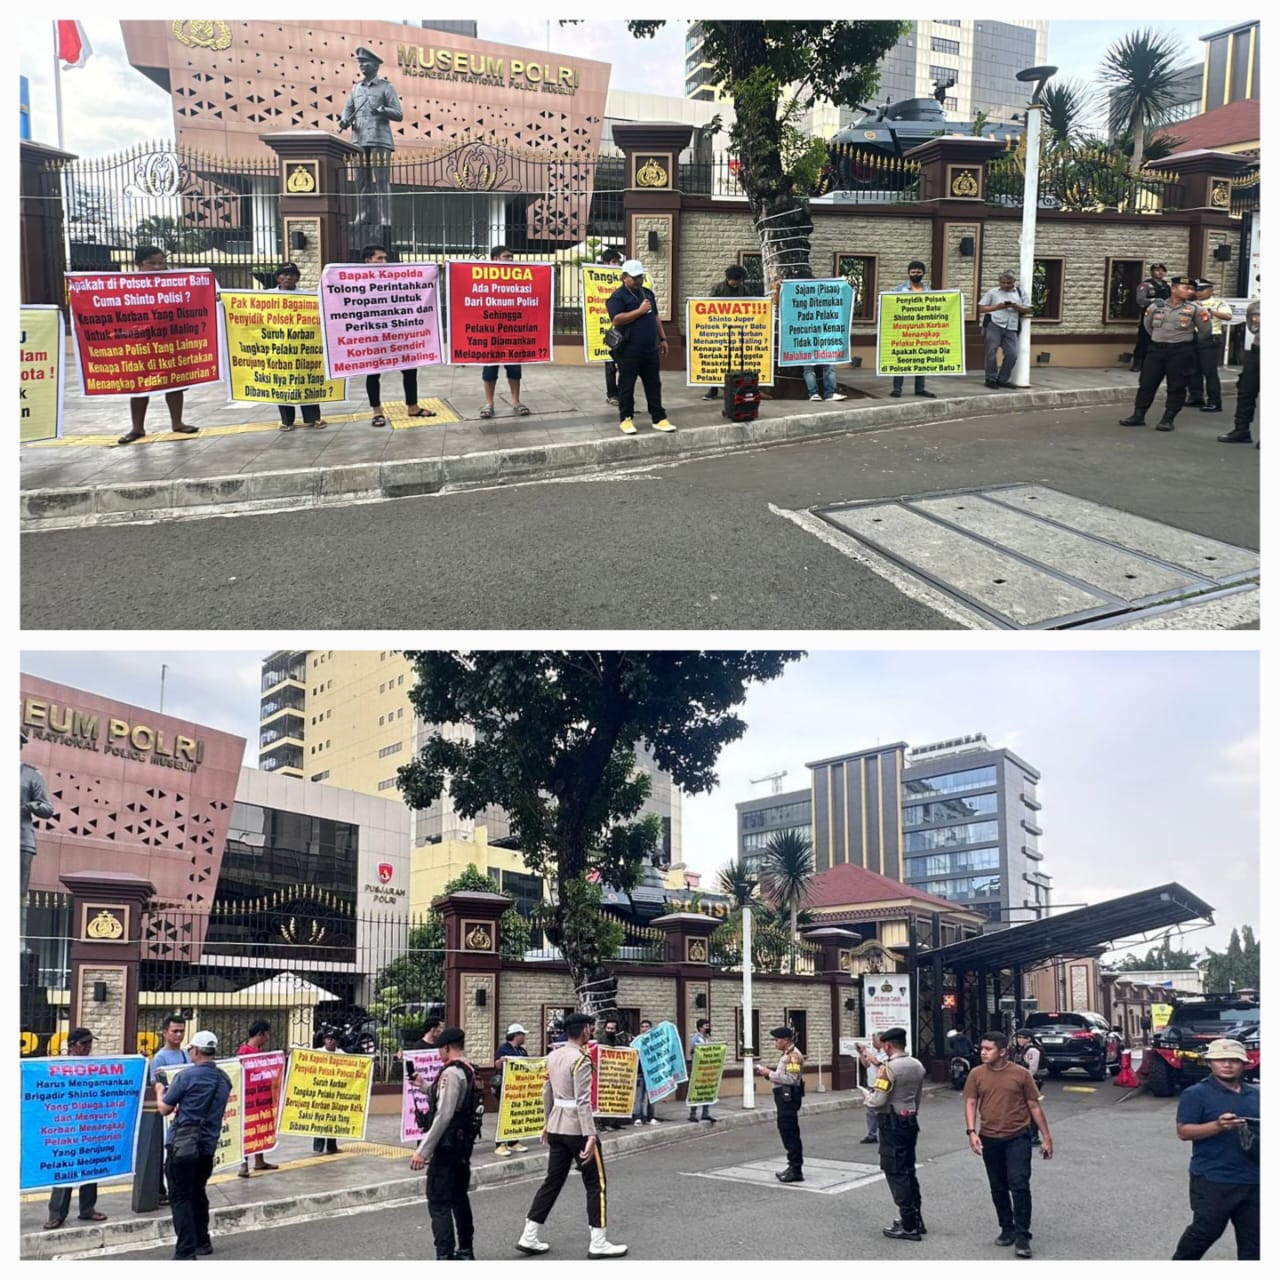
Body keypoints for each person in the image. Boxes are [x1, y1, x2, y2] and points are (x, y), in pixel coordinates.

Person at [516, 1011, 628, 1258]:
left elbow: (546, 1090)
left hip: (556, 1125)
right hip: (577, 1129)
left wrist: (546, 1123)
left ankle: (529, 1234)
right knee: (595, 1183)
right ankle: (598, 1241)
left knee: (552, 1181)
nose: (593, 1031)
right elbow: (583, 1101)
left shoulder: (553, 1055)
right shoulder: (580, 1059)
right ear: (585, 1031)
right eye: (591, 1028)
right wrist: (590, 1135)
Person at [964, 1030, 1054, 1259]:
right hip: (990, 1137)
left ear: (1002, 1051)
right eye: (982, 1048)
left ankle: (1023, 1236)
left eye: (988, 1049)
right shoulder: (976, 1074)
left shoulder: (1021, 1074)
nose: (983, 1052)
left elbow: (1034, 1105)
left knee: (1020, 1184)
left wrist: (1046, 1137)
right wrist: (971, 1132)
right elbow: (971, 1102)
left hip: (1018, 1136)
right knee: (998, 1185)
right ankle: (1007, 1228)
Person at [1171, 1037, 1260, 1260]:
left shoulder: (1256, 1095)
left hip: (1254, 1179)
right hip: (1213, 1178)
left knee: (1256, 1243)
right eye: (1221, 1060)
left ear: (1244, 1063)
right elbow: (1184, 1132)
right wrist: (1218, 1126)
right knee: (1205, 1232)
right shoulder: (1196, 1094)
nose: (1227, 1065)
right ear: (1210, 1063)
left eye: (1233, 1060)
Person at [155, 1029, 232, 1260]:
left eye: (190, 1049)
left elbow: (164, 1108)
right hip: (207, 1147)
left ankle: (186, 1252)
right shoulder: (224, 1079)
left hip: (183, 1147)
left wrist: (160, 1090)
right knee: (198, 1192)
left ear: (196, 1051)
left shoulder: (186, 1077)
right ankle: (202, 1241)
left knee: (180, 1197)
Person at [410, 1026, 482, 1260]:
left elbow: (444, 1114)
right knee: (459, 1196)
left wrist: (423, 1151)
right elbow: (445, 1097)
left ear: (447, 1047)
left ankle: (445, 1255)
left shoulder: (451, 1073)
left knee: (439, 1201)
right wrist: (421, 1084)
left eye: (440, 1048)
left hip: (447, 1146)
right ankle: (466, 1249)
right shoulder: (468, 1069)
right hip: (463, 1146)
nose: (438, 1053)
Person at [118, 246, 200, 445]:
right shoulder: (124, 285)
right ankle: (137, 428)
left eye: (160, 263)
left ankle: (177, 422)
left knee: (175, 382)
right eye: (151, 263)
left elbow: (189, 302)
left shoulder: (173, 283)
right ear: (139, 264)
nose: (157, 267)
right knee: (139, 387)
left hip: (169, 341)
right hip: (139, 344)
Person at [1118, 276, 1212, 431]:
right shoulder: (1156, 306)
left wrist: (1186, 342)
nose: (1190, 292)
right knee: (1147, 384)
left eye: (1192, 289)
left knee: (1176, 386)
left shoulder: (1196, 309)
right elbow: (1148, 326)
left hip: (1180, 351)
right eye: (1185, 288)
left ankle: (1168, 418)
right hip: (1156, 350)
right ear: (1173, 288)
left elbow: (1205, 331)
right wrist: (1160, 338)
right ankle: (1138, 415)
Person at [360, 245, 434, 427]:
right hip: (373, 334)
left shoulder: (395, 277)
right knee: (373, 372)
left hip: (398, 332)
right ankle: (377, 412)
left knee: (410, 369)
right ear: (368, 260)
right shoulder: (357, 280)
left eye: (385, 258)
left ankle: (413, 406)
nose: (384, 262)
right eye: (379, 258)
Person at [43, 1029, 108, 1230]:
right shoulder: (59, 1067)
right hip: (67, 1127)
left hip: (89, 1125)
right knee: (65, 1170)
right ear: (72, 1045)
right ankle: (57, 1214)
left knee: (90, 1166)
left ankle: (87, 1209)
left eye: (90, 1043)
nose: (88, 1047)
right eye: (84, 1043)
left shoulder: (93, 1067)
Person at [867, 1025, 927, 1241]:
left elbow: (879, 1099)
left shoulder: (888, 1068)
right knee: (908, 1169)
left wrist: (868, 1098)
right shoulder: (916, 1065)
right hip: (909, 1118)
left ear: (888, 1045)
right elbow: (917, 1096)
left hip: (891, 1121)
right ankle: (917, 1218)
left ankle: (908, 1224)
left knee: (895, 1171)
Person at [605, 259, 675, 435]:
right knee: (627, 385)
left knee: (653, 384)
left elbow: (656, 317)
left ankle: (659, 418)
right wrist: (639, 311)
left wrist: (663, 339)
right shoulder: (618, 297)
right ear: (624, 277)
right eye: (635, 277)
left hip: (649, 349)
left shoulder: (647, 294)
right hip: (629, 350)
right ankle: (626, 418)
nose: (638, 281)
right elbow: (617, 319)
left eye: (640, 277)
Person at [337, 46, 401, 229]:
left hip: (380, 139)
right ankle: (362, 216)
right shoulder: (356, 88)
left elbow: (398, 113)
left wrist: (382, 110)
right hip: (358, 140)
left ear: (375, 66)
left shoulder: (386, 87)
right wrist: (344, 121)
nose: (362, 66)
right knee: (361, 182)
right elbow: (348, 109)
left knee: (381, 182)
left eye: (366, 63)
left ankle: (385, 219)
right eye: (360, 63)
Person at [272, 263, 327, 431]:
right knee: (283, 384)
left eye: (292, 274)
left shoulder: (308, 297)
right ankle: (286, 421)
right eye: (284, 274)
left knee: (307, 382)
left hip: (304, 349)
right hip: (279, 350)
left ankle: (313, 418)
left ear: (297, 278)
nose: (288, 277)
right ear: (277, 278)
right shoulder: (266, 297)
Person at [480, 245, 530, 419]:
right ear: (495, 259)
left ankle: (516, 402)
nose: (510, 260)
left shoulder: (518, 279)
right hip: (491, 332)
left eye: (511, 257)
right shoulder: (484, 278)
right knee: (489, 370)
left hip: (512, 332)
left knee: (515, 369)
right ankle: (489, 404)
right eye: (506, 256)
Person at [701, 265, 763, 399]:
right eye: (739, 280)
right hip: (719, 331)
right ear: (731, 279)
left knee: (737, 360)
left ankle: (736, 387)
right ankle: (713, 389)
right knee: (719, 360)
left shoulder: (744, 289)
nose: (740, 283)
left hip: (738, 331)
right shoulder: (718, 289)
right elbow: (709, 307)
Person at [755, 1024, 805, 1182]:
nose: (775, 1043)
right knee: (785, 1130)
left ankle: (796, 1169)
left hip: (788, 1098)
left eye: (776, 1040)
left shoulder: (793, 1056)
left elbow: (792, 1079)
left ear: (785, 1040)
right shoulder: (787, 1055)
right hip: (783, 1098)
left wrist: (769, 1073)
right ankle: (792, 1165)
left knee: (789, 1131)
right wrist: (772, 1073)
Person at [150, 1014, 191, 1204]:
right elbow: (158, 1085)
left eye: (181, 1031)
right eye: (175, 1031)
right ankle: (162, 1190)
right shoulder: (159, 1058)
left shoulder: (186, 1055)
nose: (179, 1035)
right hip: (168, 1110)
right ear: (165, 1032)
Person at [20, 729, 55, 943]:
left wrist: (28, 806)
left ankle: (19, 940)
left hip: (21, 840)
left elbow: (47, 808)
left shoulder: (31, 774)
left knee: (18, 894)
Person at [236, 1020, 279, 1177]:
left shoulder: (259, 1052)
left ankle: (259, 1161)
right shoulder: (244, 1052)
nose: (268, 1038)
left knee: (260, 1129)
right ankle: (243, 1164)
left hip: (261, 1098)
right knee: (248, 1131)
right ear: (260, 1034)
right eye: (267, 1034)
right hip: (249, 1099)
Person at [888, 261, 936, 399]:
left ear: (923, 273)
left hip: (922, 330)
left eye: (919, 272)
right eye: (913, 272)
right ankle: (897, 388)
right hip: (903, 329)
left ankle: (920, 388)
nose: (916, 275)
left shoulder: (928, 291)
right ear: (908, 273)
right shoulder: (899, 290)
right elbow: (890, 306)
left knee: (920, 359)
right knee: (901, 359)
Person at [1185, 279, 1233, 411]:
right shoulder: (1190, 303)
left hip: (1210, 338)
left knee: (1209, 371)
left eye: (1201, 290)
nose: (1198, 293)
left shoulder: (1218, 303)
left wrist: (1208, 311)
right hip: (1191, 337)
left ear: (1210, 290)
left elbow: (1228, 316)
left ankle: (1214, 401)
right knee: (1193, 370)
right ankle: (1196, 397)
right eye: (1196, 290)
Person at [978, 271, 1031, 388]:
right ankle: (990, 379)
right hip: (994, 324)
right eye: (1003, 283)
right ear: (999, 282)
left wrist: (1015, 306)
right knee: (991, 352)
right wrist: (998, 306)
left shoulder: (1020, 293)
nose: (1006, 285)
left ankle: (1002, 379)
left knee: (1012, 354)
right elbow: (981, 308)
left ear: (1014, 282)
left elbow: (1028, 309)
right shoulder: (993, 292)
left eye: (1009, 283)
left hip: (1011, 326)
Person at [1220, 299, 1259, 446]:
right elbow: (1254, 328)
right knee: (1246, 391)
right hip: (1257, 352)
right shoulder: (1255, 306)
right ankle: (1241, 430)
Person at [493, 1023, 530, 1157]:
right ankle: (500, 1144)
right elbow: (497, 1064)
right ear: (516, 1035)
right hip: (505, 1087)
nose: (524, 1037)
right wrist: (501, 1061)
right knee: (504, 1114)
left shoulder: (522, 1051)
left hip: (518, 1087)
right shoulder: (503, 1049)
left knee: (515, 1114)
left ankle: (513, 1141)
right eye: (522, 1034)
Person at [1132, 262, 1171, 375]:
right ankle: (1138, 363)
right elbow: (1140, 300)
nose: (1160, 272)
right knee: (1144, 339)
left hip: (1164, 315)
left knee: (1160, 339)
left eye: (1162, 270)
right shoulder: (1145, 285)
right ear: (1152, 272)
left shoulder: (1166, 286)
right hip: (1149, 315)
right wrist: (1152, 300)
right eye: (1157, 270)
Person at [1009, 1028, 1044, 1146]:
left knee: (1031, 1107)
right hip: (1022, 1082)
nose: (1019, 1040)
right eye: (1018, 1037)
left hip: (1031, 1082)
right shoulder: (1021, 1050)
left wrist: (1022, 1081)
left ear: (1029, 1039)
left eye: (1022, 1037)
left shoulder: (1032, 1050)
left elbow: (1032, 1069)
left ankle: (1033, 1135)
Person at [313, 1027, 344, 1154]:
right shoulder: (317, 1053)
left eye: (333, 1039)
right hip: (320, 1092)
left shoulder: (341, 1054)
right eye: (328, 1038)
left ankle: (332, 1146)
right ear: (324, 1040)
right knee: (319, 1119)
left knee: (333, 1120)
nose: (330, 1041)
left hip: (335, 1093)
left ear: (337, 1042)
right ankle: (318, 1147)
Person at [599, 246, 624, 405]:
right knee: (610, 364)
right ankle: (612, 394)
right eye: (614, 261)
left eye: (618, 262)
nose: (617, 265)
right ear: (605, 262)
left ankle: (622, 392)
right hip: (605, 327)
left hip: (621, 328)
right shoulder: (597, 278)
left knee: (624, 364)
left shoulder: (623, 279)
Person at [857, 1033, 887, 1143]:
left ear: (882, 1042)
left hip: (881, 1086)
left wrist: (866, 1051)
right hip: (871, 1085)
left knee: (881, 1111)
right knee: (870, 1111)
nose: (873, 1042)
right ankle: (872, 1134)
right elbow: (867, 1064)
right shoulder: (874, 1052)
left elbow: (877, 1062)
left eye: (875, 1040)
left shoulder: (886, 1053)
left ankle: (883, 1134)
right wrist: (861, 1054)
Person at [686, 1018, 716, 1124]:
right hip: (697, 1068)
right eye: (706, 1026)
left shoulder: (707, 1038)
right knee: (696, 1090)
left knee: (707, 1090)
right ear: (700, 1027)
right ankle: (692, 1114)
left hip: (707, 1068)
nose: (708, 1028)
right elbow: (692, 1050)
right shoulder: (696, 1038)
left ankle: (705, 1113)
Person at [633, 1019, 658, 1125]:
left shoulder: (655, 1041)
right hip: (640, 1073)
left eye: (647, 1026)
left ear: (650, 1028)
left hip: (652, 1074)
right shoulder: (636, 1041)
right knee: (639, 1097)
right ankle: (638, 1117)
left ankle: (650, 1117)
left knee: (652, 1097)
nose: (644, 1029)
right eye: (642, 1026)